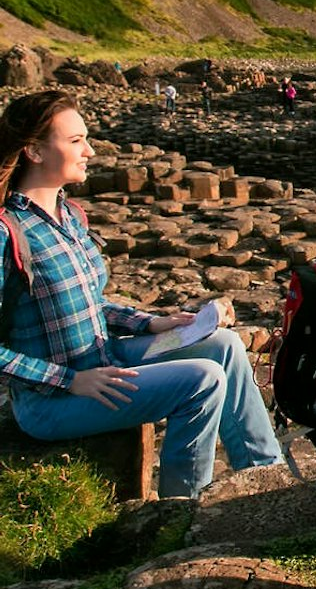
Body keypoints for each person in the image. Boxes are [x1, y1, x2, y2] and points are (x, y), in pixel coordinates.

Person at [0, 90, 283, 498]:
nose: (91, 151)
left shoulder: (70, 215)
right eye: (76, 141)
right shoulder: (7, 230)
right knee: (201, 380)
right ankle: (180, 509)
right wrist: (69, 380)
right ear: (34, 151)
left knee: (221, 344)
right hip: (52, 400)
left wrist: (154, 323)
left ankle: (264, 478)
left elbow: (90, 303)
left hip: (107, 358)